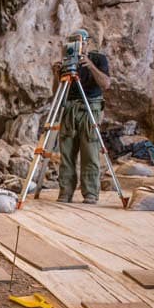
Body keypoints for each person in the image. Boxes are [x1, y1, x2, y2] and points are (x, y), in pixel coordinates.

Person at [54, 28, 111, 204]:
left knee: (90, 151)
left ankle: (90, 193)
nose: (78, 46)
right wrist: (57, 74)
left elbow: (106, 83)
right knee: (67, 152)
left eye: (81, 42)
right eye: (73, 42)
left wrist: (90, 65)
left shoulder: (98, 59)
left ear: (87, 43)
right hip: (69, 108)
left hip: (90, 108)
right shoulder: (66, 61)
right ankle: (65, 191)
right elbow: (58, 92)